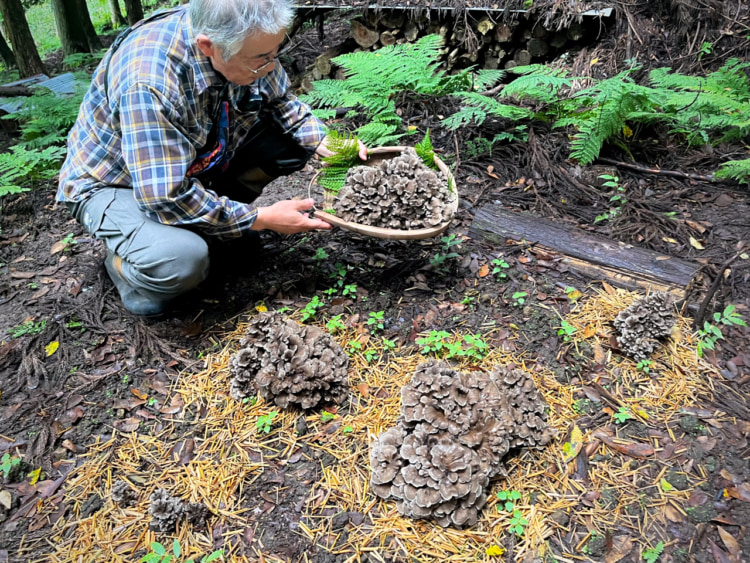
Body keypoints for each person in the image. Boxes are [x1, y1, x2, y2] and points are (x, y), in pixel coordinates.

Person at [56, 0, 366, 317]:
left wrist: (324, 139)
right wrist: (259, 219)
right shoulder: (149, 83)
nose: (270, 67)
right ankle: (126, 268)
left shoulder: (245, 40)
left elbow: (281, 100)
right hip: (118, 184)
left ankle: (214, 226)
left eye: (275, 52)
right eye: (261, 59)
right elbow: (164, 196)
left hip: (193, 163)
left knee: (293, 142)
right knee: (181, 260)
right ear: (208, 46)